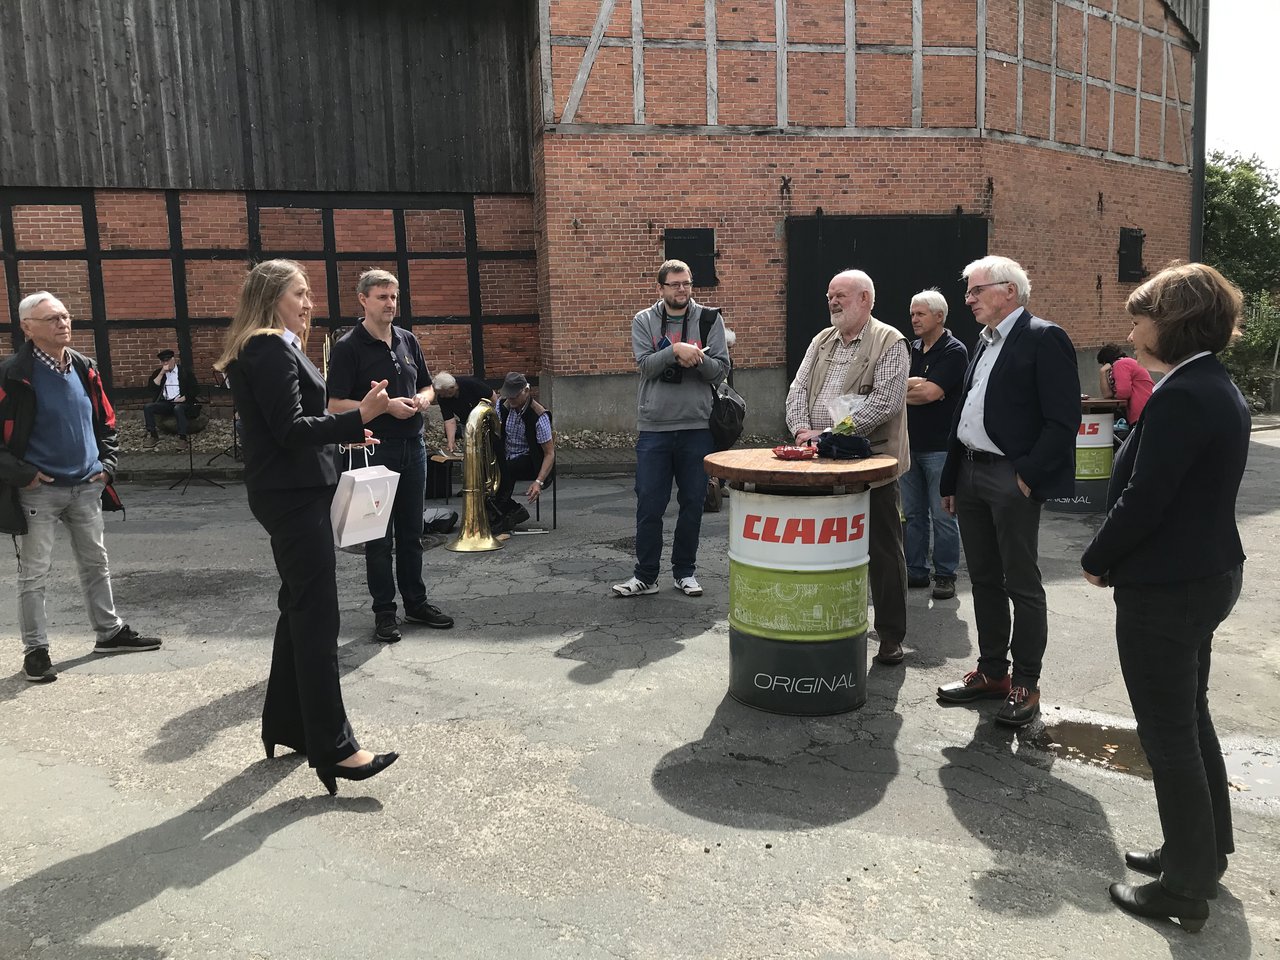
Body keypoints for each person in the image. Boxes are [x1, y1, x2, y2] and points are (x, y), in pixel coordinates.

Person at [1081, 263, 1249, 931]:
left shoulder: (1183, 394)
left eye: (1140, 316)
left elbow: (1146, 496)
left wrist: (1098, 559)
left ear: (1172, 322)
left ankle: (1185, 888)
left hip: (1169, 584)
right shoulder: (1211, 382)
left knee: (1168, 734)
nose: (1131, 328)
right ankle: (1203, 852)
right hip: (1204, 574)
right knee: (1189, 717)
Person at [215, 259, 398, 796]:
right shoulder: (268, 346)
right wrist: (360, 415)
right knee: (318, 618)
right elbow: (289, 429)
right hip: (292, 500)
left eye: (309, 293)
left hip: (294, 491)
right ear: (272, 296)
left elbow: (287, 432)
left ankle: (288, 725)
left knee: (298, 609)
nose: (308, 302)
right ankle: (335, 748)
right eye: (299, 293)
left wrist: (344, 436)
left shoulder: (274, 346)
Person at [937, 255, 1080, 726]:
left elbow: (1063, 419)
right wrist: (952, 477)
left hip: (1010, 477)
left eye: (976, 290)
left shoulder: (1044, 337)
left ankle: (1026, 683)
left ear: (1009, 292)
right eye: (969, 291)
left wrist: (1030, 474)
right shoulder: (983, 341)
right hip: (972, 474)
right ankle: (993, 672)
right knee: (982, 579)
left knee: (1021, 582)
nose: (969, 299)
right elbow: (966, 412)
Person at [1, 291, 161, 684]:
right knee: (34, 574)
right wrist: (25, 475)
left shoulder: (83, 367)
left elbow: (106, 422)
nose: (63, 324)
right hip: (38, 490)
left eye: (66, 316)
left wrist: (106, 467)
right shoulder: (11, 375)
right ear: (27, 328)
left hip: (86, 486)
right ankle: (36, 651)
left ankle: (109, 633)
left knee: (96, 563)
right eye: (52, 318)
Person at [785, 269, 910, 665]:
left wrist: (829, 434)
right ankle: (821, 624)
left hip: (870, 463)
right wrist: (801, 429)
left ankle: (890, 635)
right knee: (821, 547)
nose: (832, 302)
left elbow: (885, 403)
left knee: (883, 549)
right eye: (829, 296)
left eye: (840, 295)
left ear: (865, 300)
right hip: (819, 460)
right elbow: (797, 388)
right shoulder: (821, 340)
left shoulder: (891, 341)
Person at [326, 269, 453, 641]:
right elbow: (334, 405)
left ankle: (416, 603)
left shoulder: (407, 340)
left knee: (412, 533)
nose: (390, 304)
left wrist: (422, 400)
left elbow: (429, 386)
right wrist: (385, 408)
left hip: (413, 447)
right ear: (363, 300)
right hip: (375, 450)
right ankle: (385, 612)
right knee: (378, 539)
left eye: (394, 297)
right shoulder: (349, 347)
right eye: (382, 297)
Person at [612, 259, 729, 599]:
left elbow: (720, 370)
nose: (682, 289)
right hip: (655, 427)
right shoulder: (643, 320)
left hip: (697, 426)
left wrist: (699, 358)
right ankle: (645, 576)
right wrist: (675, 351)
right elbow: (645, 366)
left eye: (687, 283)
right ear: (660, 288)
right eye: (675, 284)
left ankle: (685, 572)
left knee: (693, 502)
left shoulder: (710, 319)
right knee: (649, 504)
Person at [902, 289, 968, 601]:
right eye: (912, 313)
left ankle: (945, 574)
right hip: (908, 446)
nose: (913, 319)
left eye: (920, 314)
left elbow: (930, 394)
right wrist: (919, 386)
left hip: (940, 448)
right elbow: (901, 387)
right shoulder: (910, 349)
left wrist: (919, 389)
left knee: (943, 516)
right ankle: (916, 570)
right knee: (913, 514)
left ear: (939, 317)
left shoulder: (954, 351)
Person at [489, 372, 555, 533]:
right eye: (508, 396)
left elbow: (549, 454)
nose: (510, 400)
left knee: (507, 469)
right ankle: (508, 510)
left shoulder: (539, 416)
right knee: (490, 469)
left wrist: (538, 482)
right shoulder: (502, 405)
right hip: (507, 457)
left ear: (527, 391)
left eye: (514, 396)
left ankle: (501, 513)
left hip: (531, 461)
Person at [143, 348, 201, 444]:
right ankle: (153, 435)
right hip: (166, 402)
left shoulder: (184, 372)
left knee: (178, 409)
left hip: (183, 402)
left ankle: (182, 438)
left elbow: (196, 389)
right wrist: (162, 373)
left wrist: (184, 397)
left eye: (168, 361)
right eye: (163, 361)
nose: (166, 363)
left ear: (173, 359)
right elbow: (151, 388)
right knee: (148, 407)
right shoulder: (159, 373)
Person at [434, 372, 498, 454]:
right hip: (467, 423)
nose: (441, 396)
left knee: (491, 448)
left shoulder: (471, 383)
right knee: (471, 451)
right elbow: (449, 420)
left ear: (451, 388)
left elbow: (492, 396)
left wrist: (496, 418)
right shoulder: (442, 398)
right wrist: (451, 441)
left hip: (486, 420)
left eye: (443, 393)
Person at [1096, 343, 1154, 424]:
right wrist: (1102, 372)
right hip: (1144, 410)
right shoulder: (1125, 363)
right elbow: (1107, 395)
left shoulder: (1121, 364)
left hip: (1140, 410)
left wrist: (1115, 395)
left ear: (1106, 361)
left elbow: (1124, 392)